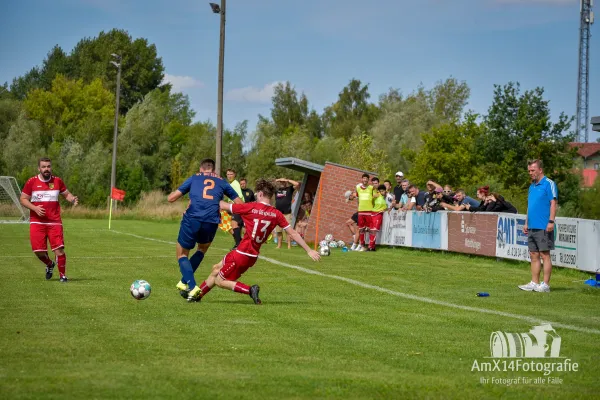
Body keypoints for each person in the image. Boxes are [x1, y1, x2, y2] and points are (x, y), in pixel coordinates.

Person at [190, 179, 320, 304]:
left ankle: (250, 290)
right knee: (216, 269)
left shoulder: (251, 207)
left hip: (242, 253)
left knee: (219, 280)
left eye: (257, 194)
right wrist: (308, 250)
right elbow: (292, 233)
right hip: (250, 254)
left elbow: (223, 205)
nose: (256, 196)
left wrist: (204, 197)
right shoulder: (276, 214)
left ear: (261, 194)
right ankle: (196, 295)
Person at [167, 159, 243, 301]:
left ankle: (193, 286)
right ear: (213, 170)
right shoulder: (222, 181)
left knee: (182, 255)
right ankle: (184, 282)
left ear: (201, 169)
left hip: (192, 219)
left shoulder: (195, 178)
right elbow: (239, 203)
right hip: (211, 221)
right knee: (201, 249)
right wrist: (223, 206)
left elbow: (172, 198)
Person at [19, 157, 79, 282]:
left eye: (48, 166)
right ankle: (49, 264)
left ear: (51, 167)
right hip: (37, 222)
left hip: (54, 221)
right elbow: (23, 199)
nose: (46, 169)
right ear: (39, 168)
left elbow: (66, 194)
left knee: (59, 250)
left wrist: (72, 199)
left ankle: (63, 276)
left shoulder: (57, 181)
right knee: (38, 251)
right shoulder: (32, 182)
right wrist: (34, 208)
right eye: (44, 167)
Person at [519, 159, 558, 293]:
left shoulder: (549, 184)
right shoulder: (532, 186)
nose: (530, 173)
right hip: (532, 226)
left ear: (540, 170)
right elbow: (530, 206)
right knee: (533, 254)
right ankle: (534, 282)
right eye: (529, 171)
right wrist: (526, 222)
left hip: (544, 226)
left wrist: (551, 221)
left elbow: (553, 203)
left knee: (544, 255)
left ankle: (545, 285)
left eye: (533, 170)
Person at [348, 173, 379, 252]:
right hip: (361, 211)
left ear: (368, 180)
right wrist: (350, 197)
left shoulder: (371, 188)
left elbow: (377, 196)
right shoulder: (358, 187)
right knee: (361, 229)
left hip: (369, 211)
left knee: (370, 229)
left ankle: (370, 246)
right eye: (363, 178)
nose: (365, 180)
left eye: (366, 178)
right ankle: (361, 245)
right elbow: (356, 195)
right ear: (362, 179)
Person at [274, 178, 300, 249]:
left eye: (283, 182)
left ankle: (289, 245)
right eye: (281, 182)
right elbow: (269, 185)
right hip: (278, 213)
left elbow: (297, 184)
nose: (282, 183)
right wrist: (277, 180)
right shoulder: (277, 190)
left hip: (287, 213)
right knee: (279, 231)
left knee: (288, 230)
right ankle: (279, 245)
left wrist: (287, 180)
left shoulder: (289, 189)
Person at [226, 169, 245, 249]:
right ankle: (239, 244)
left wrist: (232, 204)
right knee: (235, 227)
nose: (229, 176)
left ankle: (239, 244)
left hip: (238, 207)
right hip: (235, 208)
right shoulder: (231, 184)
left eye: (231, 174)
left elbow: (239, 196)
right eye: (228, 174)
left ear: (235, 175)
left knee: (234, 224)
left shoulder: (235, 184)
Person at [369, 185, 389, 251]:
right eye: (380, 191)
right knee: (372, 231)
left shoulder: (384, 199)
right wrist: (375, 194)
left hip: (378, 215)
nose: (381, 192)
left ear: (385, 191)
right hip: (373, 214)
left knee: (374, 231)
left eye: (382, 191)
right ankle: (372, 247)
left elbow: (386, 207)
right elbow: (373, 196)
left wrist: (385, 209)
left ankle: (371, 247)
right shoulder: (378, 195)